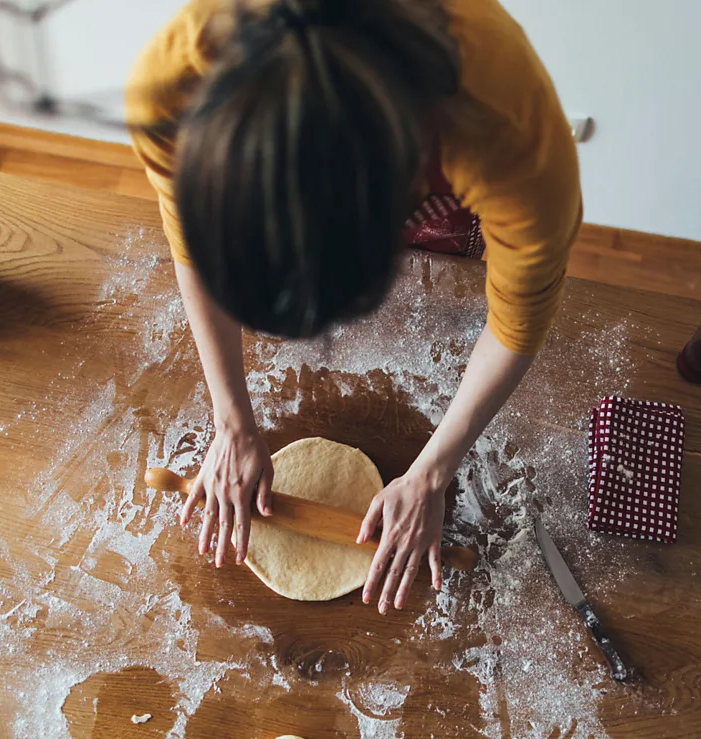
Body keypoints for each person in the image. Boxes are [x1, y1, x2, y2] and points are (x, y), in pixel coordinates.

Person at [126, 0, 581, 614]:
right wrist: (231, 420)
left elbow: (517, 316)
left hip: (457, 197)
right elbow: (189, 240)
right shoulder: (172, 90)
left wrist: (432, 473)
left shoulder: (507, 133)